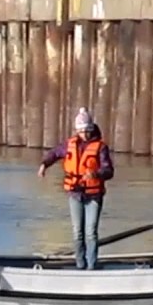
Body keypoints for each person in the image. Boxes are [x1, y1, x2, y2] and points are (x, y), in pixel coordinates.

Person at [37, 107, 115, 270]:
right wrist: (44, 165)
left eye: (87, 130)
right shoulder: (69, 144)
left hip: (93, 195)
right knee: (77, 232)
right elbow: (55, 153)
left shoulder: (100, 147)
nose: (84, 134)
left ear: (92, 128)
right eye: (81, 131)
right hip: (75, 193)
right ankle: (80, 264)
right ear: (77, 130)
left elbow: (108, 170)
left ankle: (92, 265)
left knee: (90, 232)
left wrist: (95, 174)